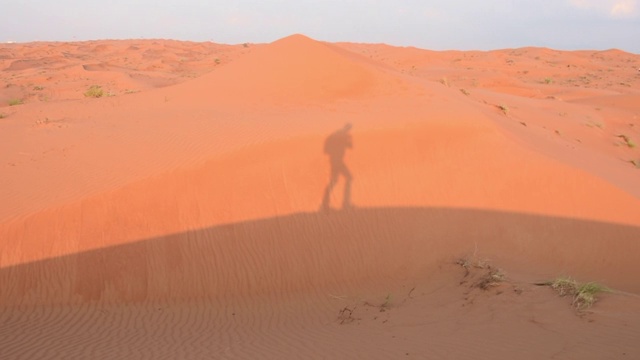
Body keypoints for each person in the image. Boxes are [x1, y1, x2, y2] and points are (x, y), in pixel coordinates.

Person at [321, 123, 353, 210]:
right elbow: (350, 146)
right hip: (337, 161)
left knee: (336, 180)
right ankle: (345, 203)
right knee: (346, 178)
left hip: (335, 161)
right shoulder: (342, 136)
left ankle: (325, 203)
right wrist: (348, 140)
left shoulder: (335, 135)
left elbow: (326, 150)